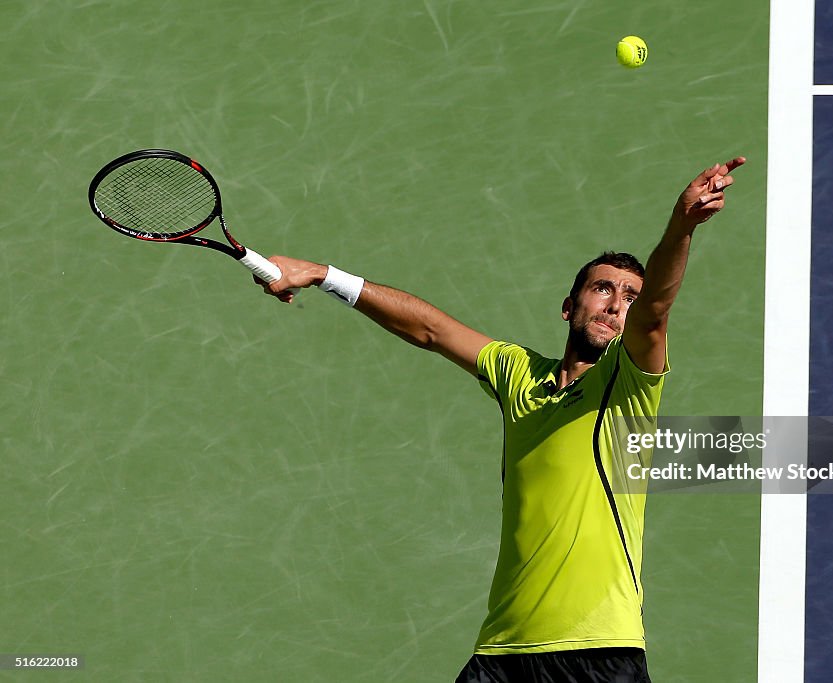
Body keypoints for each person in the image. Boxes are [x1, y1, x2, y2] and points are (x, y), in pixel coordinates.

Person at [256, 158, 745, 682]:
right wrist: (325, 274)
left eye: (629, 296)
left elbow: (656, 313)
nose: (616, 305)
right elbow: (432, 330)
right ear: (569, 305)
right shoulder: (520, 376)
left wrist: (682, 225)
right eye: (603, 289)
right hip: (502, 653)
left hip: (598, 651)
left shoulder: (627, 388)